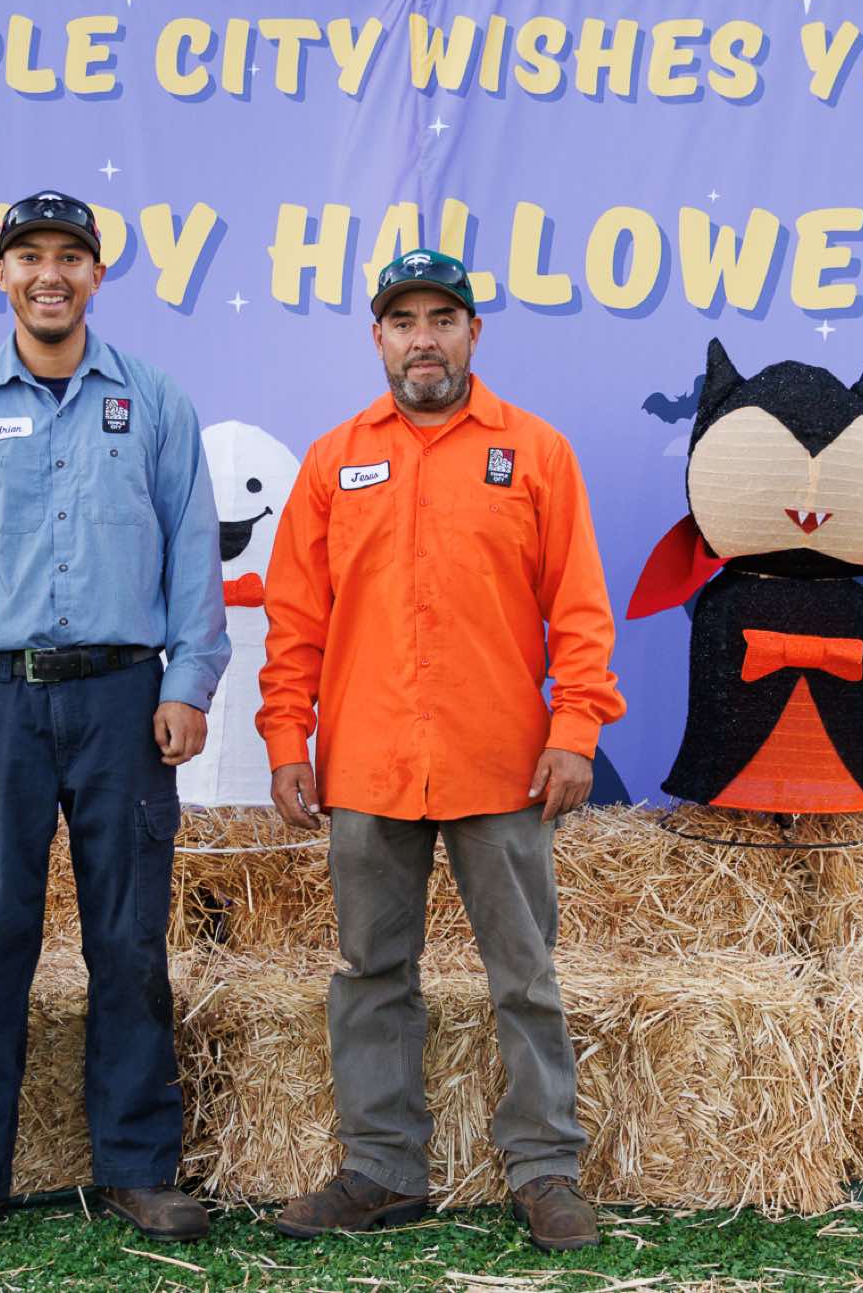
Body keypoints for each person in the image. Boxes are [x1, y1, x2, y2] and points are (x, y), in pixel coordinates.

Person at [256, 249, 625, 1253]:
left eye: (442, 319)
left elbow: (579, 609)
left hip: (502, 766)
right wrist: (287, 737)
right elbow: (294, 619)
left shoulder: (535, 453)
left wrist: (575, 731)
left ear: (473, 333)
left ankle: (545, 1170)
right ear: (377, 338)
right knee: (371, 972)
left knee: (525, 974)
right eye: (404, 321)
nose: (423, 339)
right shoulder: (333, 461)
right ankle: (382, 1169)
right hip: (369, 766)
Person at [0, 190, 229, 1244]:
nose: (49, 275)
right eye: (28, 256)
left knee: (128, 939)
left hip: (125, 698)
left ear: (96, 276)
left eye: (69, 257)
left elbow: (192, 548)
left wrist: (187, 682)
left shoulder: (153, 401)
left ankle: (137, 1167)